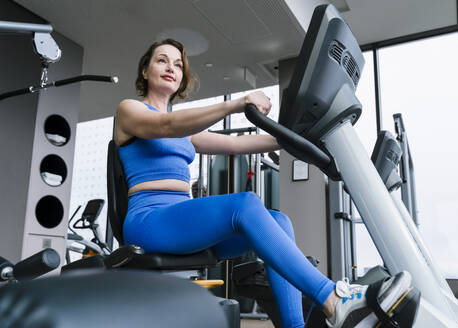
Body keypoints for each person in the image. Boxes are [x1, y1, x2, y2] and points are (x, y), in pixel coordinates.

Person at [114, 38, 411, 328]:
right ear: (145, 70)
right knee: (243, 204)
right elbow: (165, 125)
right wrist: (238, 104)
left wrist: (302, 137)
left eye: (178, 64)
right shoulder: (129, 111)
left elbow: (239, 145)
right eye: (162, 60)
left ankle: (294, 325)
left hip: (183, 226)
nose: (171, 68)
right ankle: (332, 298)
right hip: (149, 222)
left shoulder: (187, 134)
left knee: (279, 221)